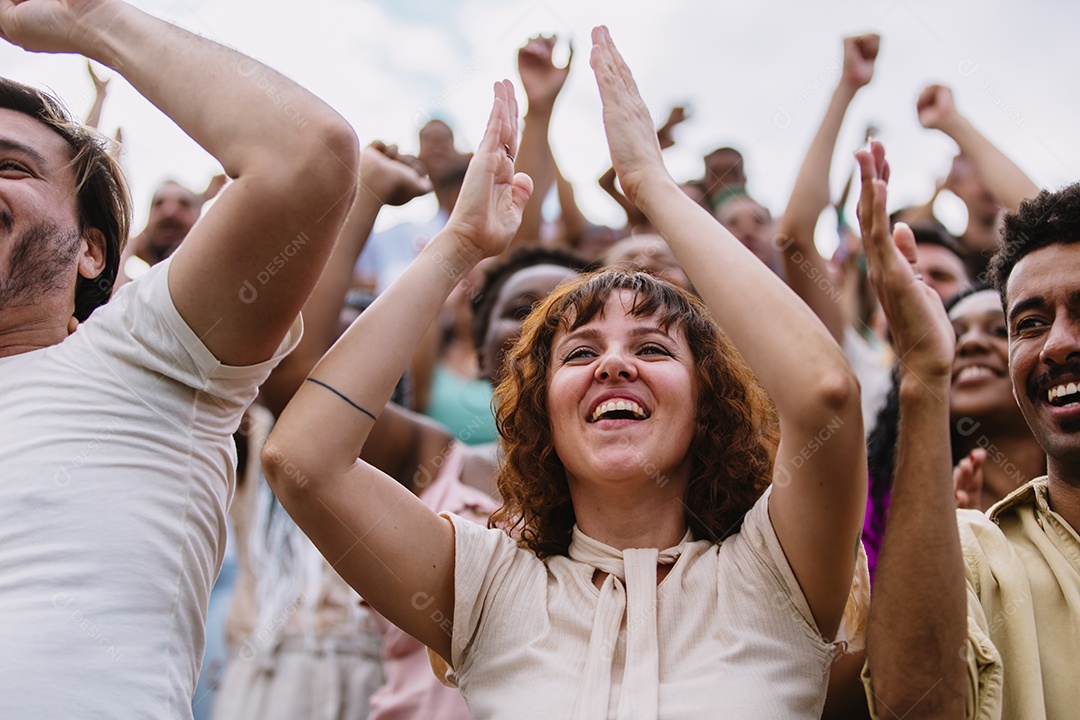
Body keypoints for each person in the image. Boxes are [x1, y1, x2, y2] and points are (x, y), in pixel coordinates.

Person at [265, 27, 867, 717]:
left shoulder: (778, 568)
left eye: (653, 349)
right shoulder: (485, 585)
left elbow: (825, 395)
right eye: (579, 354)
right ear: (539, 414)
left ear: (707, 403)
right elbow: (302, 461)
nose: (613, 362)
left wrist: (654, 188)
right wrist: (457, 247)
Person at [0, 1, 358, 716]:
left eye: (10, 167)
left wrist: (86, 17)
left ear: (92, 250)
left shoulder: (140, 361)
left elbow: (304, 158)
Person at [858, 139, 1080, 719]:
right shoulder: (974, 554)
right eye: (1030, 323)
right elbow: (909, 706)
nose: (1057, 344)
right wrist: (925, 373)